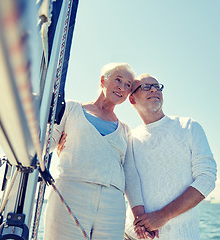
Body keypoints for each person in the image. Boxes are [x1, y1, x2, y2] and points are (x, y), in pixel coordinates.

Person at [44, 63, 145, 240]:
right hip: (71, 192)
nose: (122, 87)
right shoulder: (71, 108)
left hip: (112, 203)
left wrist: (139, 215)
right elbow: (46, 143)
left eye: (128, 85)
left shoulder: (125, 130)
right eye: (118, 80)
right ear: (102, 81)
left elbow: (130, 174)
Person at [124, 73, 217, 240]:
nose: (154, 89)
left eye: (157, 86)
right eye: (146, 87)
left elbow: (206, 179)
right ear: (132, 99)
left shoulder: (189, 127)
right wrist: (140, 223)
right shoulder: (129, 138)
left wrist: (162, 215)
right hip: (133, 235)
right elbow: (130, 181)